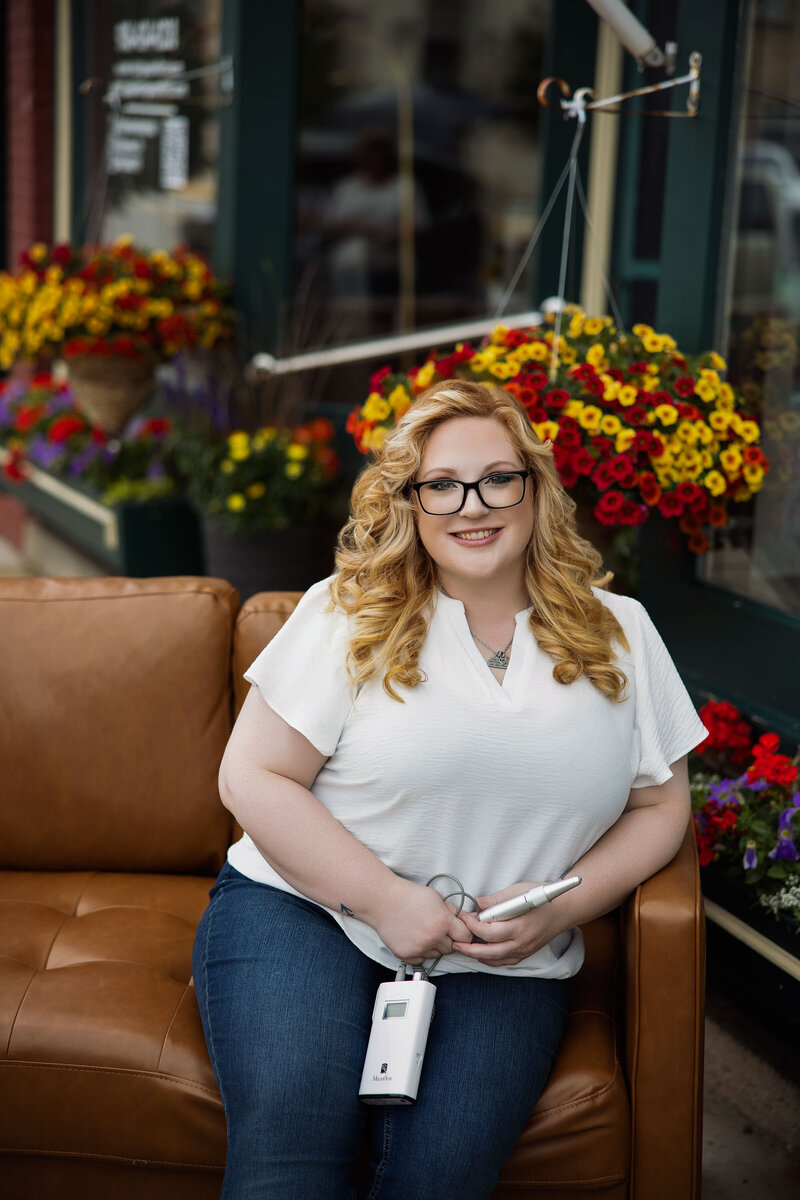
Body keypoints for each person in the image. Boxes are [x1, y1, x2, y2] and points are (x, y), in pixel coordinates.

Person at [193, 379, 707, 1200]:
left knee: (439, 1178)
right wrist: (385, 899)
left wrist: (560, 910)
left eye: (499, 478)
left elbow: (660, 807)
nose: (474, 505)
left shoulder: (624, 634)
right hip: (307, 913)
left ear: (535, 490)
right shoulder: (348, 613)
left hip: (504, 954)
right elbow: (249, 775)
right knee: (292, 1157)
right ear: (410, 503)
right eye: (442, 484)